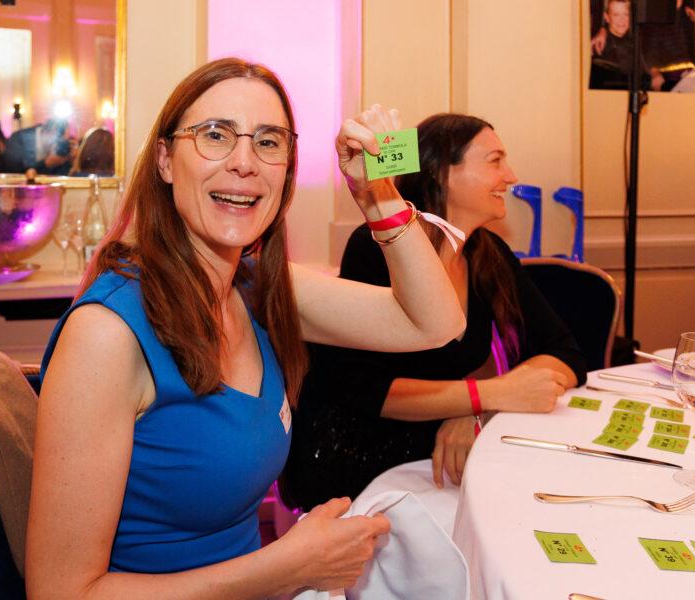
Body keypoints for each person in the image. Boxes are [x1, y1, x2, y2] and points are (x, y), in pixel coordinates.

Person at [26, 58, 466, 599]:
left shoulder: (256, 287)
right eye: (215, 135)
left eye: (268, 142)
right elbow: (61, 593)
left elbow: (435, 324)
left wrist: (378, 195)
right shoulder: (107, 334)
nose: (244, 163)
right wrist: (288, 566)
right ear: (165, 160)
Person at [284, 113, 588, 512]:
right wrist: (487, 395)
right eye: (495, 161)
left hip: (441, 453)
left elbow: (567, 354)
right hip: (360, 461)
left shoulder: (488, 254)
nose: (511, 176)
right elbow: (363, 391)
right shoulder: (377, 247)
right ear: (442, 172)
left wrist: (472, 407)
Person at [590, 0, 665, 90]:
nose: (622, 20)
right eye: (616, 15)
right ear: (607, 17)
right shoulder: (599, 45)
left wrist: (654, 77)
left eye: (625, 14)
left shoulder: (634, 43)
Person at [1, 118, 77, 175]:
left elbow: (62, 179)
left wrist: (72, 161)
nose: (60, 145)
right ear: (45, 133)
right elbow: (14, 175)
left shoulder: (61, 151)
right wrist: (47, 163)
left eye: (65, 142)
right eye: (59, 141)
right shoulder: (20, 140)